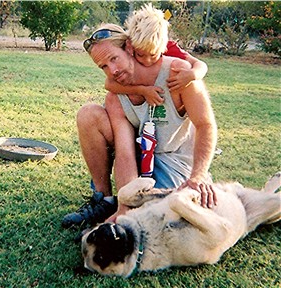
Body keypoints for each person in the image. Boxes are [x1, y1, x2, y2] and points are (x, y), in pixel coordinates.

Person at [61, 22, 217, 229]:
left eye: (113, 59)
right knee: (88, 114)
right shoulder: (116, 95)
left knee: (163, 216)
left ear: (129, 48)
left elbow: (206, 124)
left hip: (172, 158)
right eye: (104, 67)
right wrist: (125, 206)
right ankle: (105, 201)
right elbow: (124, 151)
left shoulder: (178, 74)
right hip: (142, 153)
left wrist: (199, 174)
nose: (112, 71)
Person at [105, 3, 208, 107]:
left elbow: (200, 64)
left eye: (153, 55)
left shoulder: (167, 47)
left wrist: (193, 74)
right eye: (140, 55)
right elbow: (109, 85)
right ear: (130, 45)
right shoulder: (129, 50)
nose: (147, 61)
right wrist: (143, 91)